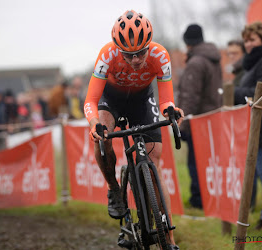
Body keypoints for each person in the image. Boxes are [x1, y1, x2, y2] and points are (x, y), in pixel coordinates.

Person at [83, 10, 183, 249]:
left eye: (141, 52)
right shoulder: (107, 54)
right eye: (129, 55)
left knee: (154, 161)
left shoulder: (160, 54)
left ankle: (168, 239)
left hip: (141, 100)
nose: (137, 59)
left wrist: (170, 110)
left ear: (150, 45)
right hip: (111, 99)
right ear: (119, 49)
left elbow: (166, 99)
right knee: (102, 137)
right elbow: (90, 101)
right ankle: (114, 189)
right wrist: (94, 122)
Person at [177, 24, 223, 209]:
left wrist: (182, 123)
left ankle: (199, 200)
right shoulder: (214, 59)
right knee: (209, 161)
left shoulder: (196, 62)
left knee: (195, 162)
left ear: (188, 43)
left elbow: (190, 96)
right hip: (213, 117)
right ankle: (212, 197)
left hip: (198, 121)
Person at [234, 21, 262, 229]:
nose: (248, 44)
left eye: (252, 40)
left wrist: (235, 93)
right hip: (260, 125)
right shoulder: (256, 61)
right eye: (246, 40)